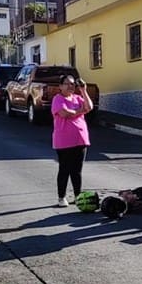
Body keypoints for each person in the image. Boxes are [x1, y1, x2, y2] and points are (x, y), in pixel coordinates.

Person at [51, 74, 93, 207]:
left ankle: (78, 196)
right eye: (67, 83)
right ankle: (61, 197)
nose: (71, 86)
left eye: (73, 84)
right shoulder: (58, 99)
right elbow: (65, 113)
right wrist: (81, 110)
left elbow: (89, 107)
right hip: (64, 140)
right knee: (65, 169)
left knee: (77, 170)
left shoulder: (77, 98)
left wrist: (84, 90)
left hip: (80, 139)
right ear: (60, 86)